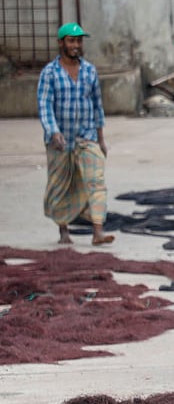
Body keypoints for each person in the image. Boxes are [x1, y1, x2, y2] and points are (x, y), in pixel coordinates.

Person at [38, 22, 115, 246]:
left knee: (96, 181)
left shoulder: (90, 71)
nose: (76, 45)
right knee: (60, 186)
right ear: (61, 43)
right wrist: (53, 132)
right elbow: (44, 106)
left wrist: (101, 140)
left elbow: (97, 106)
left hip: (86, 137)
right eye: (71, 41)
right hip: (59, 141)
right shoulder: (49, 73)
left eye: (79, 41)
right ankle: (64, 231)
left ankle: (98, 231)